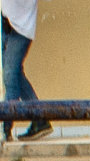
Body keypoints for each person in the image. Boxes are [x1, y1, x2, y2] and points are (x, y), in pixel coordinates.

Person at [2, 0, 51, 142]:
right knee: (15, 74)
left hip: (21, 28)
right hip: (7, 21)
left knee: (10, 76)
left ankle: (6, 128)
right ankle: (40, 119)